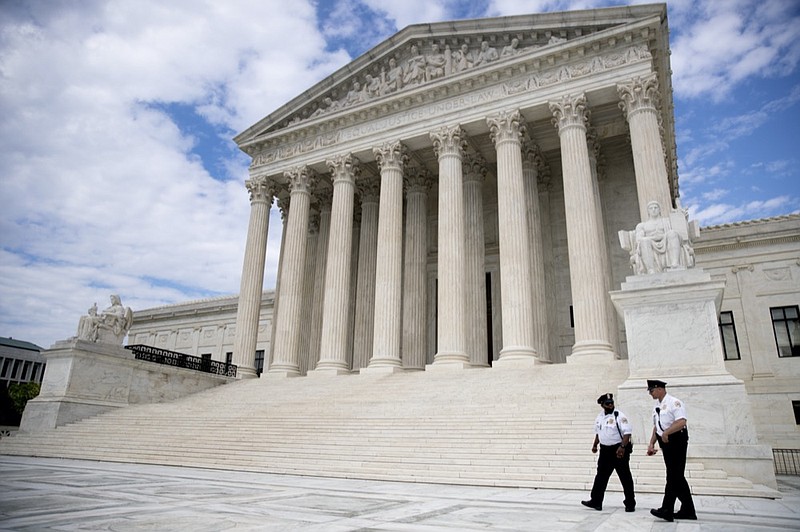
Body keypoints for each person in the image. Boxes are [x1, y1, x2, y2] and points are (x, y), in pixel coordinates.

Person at [646, 379, 697, 522]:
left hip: (677, 441)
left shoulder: (674, 402)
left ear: (660, 389)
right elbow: (657, 426)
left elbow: (681, 422)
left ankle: (667, 509)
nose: (650, 393)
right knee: (677, 477)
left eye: (651, 390)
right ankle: (688, 510)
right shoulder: (657, 406)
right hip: (666, 443)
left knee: (673, 476)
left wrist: (667, 433)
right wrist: (651, 443)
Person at [581, 393, 636, 512]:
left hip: (618, 450)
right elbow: (598, 432)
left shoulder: (619, 416)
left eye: (611, 403)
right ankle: (596, 501)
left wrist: (622, 447)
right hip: (605, 450)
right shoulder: (600, 417)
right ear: (602, 405)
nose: (610, 405)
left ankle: (630, 503)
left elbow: (627, 433)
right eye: (607, 404)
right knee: (601, 476)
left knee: (625, 476)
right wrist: (595, 444)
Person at [632, 201, 685, 274]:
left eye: (655, 208)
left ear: (659, 210)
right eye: (651, 208)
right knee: (644, 241)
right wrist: (654, 238)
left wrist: (681, 216)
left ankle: (675, 263)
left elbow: (681, 233)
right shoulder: (642, 225)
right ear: (648, 211)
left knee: (672, 233)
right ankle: (650, 269)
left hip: (665, 242)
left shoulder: (667, 222)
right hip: (650, 244)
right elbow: (639, 239)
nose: (653, 210)